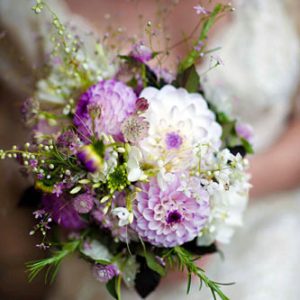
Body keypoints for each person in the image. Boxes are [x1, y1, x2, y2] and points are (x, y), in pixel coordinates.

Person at [0, 0, 299, 299]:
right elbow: (29, 167)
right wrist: (122, 243)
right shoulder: (19, 13)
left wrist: (216, 203)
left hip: (274, 207)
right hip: (117, 260)